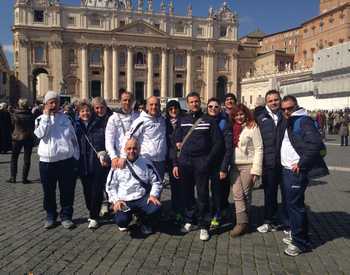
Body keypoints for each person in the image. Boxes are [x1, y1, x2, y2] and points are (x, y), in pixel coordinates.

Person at [280, 95, 329, 256]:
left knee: (296, 206)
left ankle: (301, 243)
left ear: (296, 106)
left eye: (289, 108)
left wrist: (301, 164)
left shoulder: (303, 120)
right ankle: (296, 234)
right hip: (287, 169)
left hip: (296, 171)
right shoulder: (291, 120)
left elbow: (315, 144)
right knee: (291, 204)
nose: (286, 111)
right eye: (284, 109)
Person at [173, 92, 223, 241]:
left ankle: (203, 224)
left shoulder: (209, 120)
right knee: (187, 193)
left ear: (200, 102)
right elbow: (175, 140)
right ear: (187, 104)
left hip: (201, 162)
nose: (194, 104)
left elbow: (218, 143)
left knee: (202, 194)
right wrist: (176, 161)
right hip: (185, 162)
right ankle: (189, 219)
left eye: (196, 101)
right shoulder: (182, 120)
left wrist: (207, 160)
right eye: (191, 102)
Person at [34, 91, 80, 230]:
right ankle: (50, 215)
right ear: (46, 104)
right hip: (47, 162)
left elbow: (73, 138)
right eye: (51, 102)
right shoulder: (39, 119)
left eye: (56, 102)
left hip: (65, 160)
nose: (54, 105)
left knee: (67, 190)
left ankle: (66, 216)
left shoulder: (66, 119)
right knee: (49, 191)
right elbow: (40, 135)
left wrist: (75, 157)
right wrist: (47, 117)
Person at [106, 138, 162, 235]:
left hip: (141, 198)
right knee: (121, 221)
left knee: (155, 208)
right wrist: (116, 201)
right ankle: (127, 219)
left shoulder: (146, 163)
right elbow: (110, 186)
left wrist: (153, 195)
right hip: (124, 200)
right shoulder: (117, 165)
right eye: (129, 148)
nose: (132, 151)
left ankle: (145, 223)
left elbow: (157, 181)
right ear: (124, 150)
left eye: (135, 148)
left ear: (139, 149)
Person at [256, 90, 288, 233]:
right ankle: (269, 220)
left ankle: (288, 222)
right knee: (270, 194)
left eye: (276, 100)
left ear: (280, 100)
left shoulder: (287, 116)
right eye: (270, 100)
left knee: (288, 194)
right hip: (268, 163)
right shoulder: (260, 118)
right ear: (266, 102)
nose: (274, 102)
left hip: (285, 162)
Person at [230, 104, 263, 238]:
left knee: (245, 193)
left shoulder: (252, 127)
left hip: (248, 164)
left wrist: (256, 170)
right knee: (237, 193)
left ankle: (243, 222)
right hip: (234, 165)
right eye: (236, 115)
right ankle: (243, 222)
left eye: (241, 114)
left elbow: (259, 148)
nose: (239, 117)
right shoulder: (232, 127)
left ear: (246, 114)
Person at [75, 100, 110, 229]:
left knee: (96, 190)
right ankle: (92, 210)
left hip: (97, 161)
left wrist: (104, 153)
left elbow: (106, 140)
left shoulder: (100, 124)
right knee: (87, 191)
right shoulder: (76, 126)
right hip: (83, 162)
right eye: (82, 111)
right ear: (78, 113)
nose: (85, 113)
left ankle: (94, 216)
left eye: (87, 111)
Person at [123, 96, 167, 180]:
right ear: (146, 106)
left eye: (156, 104)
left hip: (160, 161)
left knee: (158, 188)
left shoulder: (162, 120)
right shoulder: (141, 121)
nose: (154, 107)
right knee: (144, 189)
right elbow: (129, 138)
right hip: (146, 160)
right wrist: (124, 156)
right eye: (151, 104)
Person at [206, 98, 233, 228]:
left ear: (220, 108)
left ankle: (217, 214)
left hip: (219, 162)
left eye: (216, 107)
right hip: (205, 161)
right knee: (203, 190)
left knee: (217, 191)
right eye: (210, 106)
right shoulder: (203, 120)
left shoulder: (225, 122)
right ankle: (205, 213)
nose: (213, 109)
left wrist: (224, 167)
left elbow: (228, 147)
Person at [105, 91, 139, 170]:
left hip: (136, 157)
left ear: (133, 102)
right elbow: (109, 140)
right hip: (118, 157)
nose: (127, 102)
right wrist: (113, 157)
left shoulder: (138, 117)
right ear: (120, 101)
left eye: (129, 100)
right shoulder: (113, 118)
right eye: (125, 100)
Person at [91, 97, 113, 217]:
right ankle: (104, 204)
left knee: (112, 181)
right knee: (99, 183)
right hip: (98, 155)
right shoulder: (92, 120)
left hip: (112, 154)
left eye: (101, 107)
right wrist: (100, 154)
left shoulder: (113, 117)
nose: (99, 110)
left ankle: (114, 203)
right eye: (97, 108)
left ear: (106, 107)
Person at [165, 100, 184, 223]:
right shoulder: (164, 122)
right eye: (170, 109)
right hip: (170, 159)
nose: (173, 111)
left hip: (182, 158)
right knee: (174, 186)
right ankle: (175, 209)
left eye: (175, 108)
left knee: (183, 186)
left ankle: (183, 210)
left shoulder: (184, 121)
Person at [7, 98, 35, 184]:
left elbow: (11, 126)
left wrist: (14, 133)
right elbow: (33, 126)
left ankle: (13, 177)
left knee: (14, 158)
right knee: (27, 159)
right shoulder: (31, 115)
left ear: (19, 105)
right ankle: (24, 178)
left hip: (17, 138)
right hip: (28, 138)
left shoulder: (15, 114)